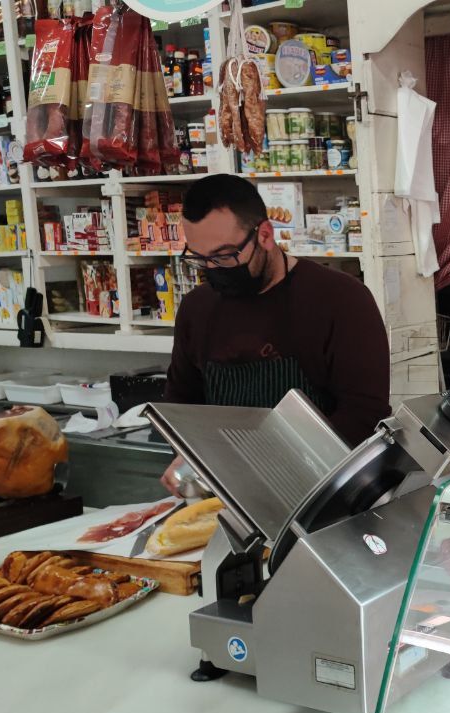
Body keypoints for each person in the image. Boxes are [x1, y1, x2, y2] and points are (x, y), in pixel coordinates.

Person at [159, 174, 390, 495]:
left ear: (265, 235)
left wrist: (274, 470)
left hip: (323, 492)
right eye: (200, 258)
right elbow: (182, 405)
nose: (213, 270)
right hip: (228, 494)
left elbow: (364, 415)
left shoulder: (340, 299)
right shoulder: (197, 309)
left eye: (224, 256)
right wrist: (186, 457)